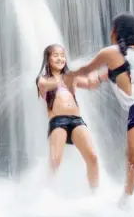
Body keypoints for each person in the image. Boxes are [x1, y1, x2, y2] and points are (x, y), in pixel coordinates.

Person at [63, 12, 134, 206]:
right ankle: (125, 202)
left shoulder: (110, 53)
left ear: (116, 31)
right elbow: (92, 81)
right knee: (132, 156)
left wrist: (69, 75)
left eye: (112, 28)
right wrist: (70, 81)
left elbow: (86, 70)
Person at [36, 43, 100, 190]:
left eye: (63, 55)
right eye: (56, 55)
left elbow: (90, 84)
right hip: (58, 121)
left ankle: (95, 194)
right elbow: (46, 84)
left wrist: (100, 73)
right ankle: (45, 193)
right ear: (48, 59)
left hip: (77, 120)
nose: (60, 58)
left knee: (93, 158)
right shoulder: (42, 79)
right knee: (55, 160)